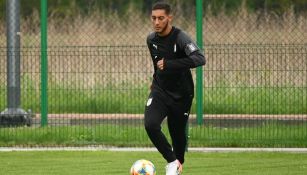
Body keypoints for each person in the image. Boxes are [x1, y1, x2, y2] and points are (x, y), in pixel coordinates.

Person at [144, 1, 206, 175]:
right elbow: (157, 64)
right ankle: (171, 162)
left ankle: (177, 165)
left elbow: (200, 58)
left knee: (178, 135)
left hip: (182, 94)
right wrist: (155, 79)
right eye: (153, 18)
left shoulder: (180, 37)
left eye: (161, 18)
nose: (157, 22)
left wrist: (170, 64)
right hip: (160, 90)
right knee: (151, 124)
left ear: (169, 18)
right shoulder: (151, 39)